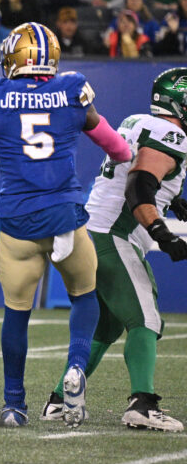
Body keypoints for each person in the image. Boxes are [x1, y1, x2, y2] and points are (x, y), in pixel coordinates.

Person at [0, 22, 133, 427]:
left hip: (19, 224)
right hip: (66, 216)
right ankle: (75, 367)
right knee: (84, 296)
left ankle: (14, 405)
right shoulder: (74, 90)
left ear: (15, 56)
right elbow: (119, 148)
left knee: (17, 313)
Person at [38, 68, 187, 432]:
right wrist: (162, 232)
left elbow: (136, 175)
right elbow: (139, 185)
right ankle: (142, 403)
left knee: (107, 326)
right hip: (112, 236)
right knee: (146, 318)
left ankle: (59, 401)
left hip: (90, 232)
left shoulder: (138, 121)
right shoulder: (173, 134)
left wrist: (173, 201)